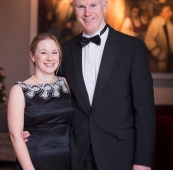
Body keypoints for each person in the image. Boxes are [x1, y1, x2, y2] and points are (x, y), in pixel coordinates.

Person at [23, 0, 156, 170]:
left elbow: (145, 111)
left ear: (104, 6)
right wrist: (32, 129)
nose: (87, 13)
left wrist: (143, 160)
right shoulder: (65, 51)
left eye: (93, 5)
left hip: (120, 154)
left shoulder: (132, 48)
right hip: (77, 154)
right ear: (74, 9)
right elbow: (54, 101)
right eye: (81, 6)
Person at [8, 33, 73, 170]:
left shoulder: (68, 84)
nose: (50, 58)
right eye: (43, 52)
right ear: (32, 56)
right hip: (35, 160)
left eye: (54, 52)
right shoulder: (19, 90)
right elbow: (16, 136)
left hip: (69, 159)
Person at [144, 3, 173, 72]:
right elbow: (148, 39)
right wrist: (157, 53)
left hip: (170, 58)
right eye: (168, 11)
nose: (171, 14)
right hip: (162, 59)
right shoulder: (156, 21)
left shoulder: (169, 23)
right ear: (160, 11)